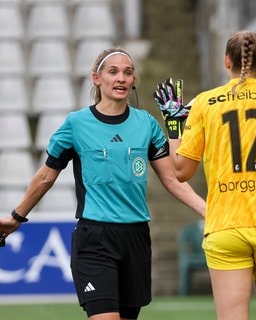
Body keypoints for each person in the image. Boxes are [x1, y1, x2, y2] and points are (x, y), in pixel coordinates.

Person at [0, 48, 205, 320]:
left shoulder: (146, 124)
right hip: (95, 238)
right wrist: (17, 217)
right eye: (113, 72)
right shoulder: (76, 124)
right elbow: (46, 176)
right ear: (96, 79)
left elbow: (173, 178)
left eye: (127, 72)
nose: (121, 78)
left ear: (133, 81)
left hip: (136, 238)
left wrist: (210, 212)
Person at [153, 30, 256, 320]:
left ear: (225, 61)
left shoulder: (204, 103)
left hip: (226, 226)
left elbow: (181, 171)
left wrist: (174, 126)